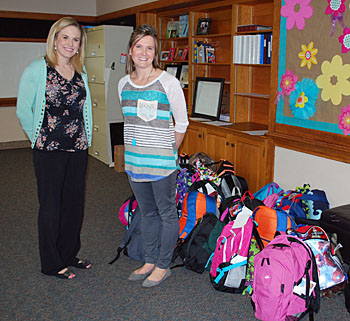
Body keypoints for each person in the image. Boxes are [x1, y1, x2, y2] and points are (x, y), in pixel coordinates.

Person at [16, 17, 93, 279]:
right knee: (51, 206)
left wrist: (86, 139)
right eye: (66, 38)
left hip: (78, 149)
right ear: (55, 39)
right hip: (48, 151)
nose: (71, 44)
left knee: (74, 205)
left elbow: (84, 110)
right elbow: (23, 109)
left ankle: (68, 254)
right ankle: (51, 263)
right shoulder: (38, 69)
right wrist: (37, 137)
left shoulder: (79, 72)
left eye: (76, 39)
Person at [118, 25, 189, 287]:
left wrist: (170, 152)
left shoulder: (168, 82)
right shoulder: (123, 84)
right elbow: (131, 121)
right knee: (147, 212)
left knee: (167, 212)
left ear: (155, 52)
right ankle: (149, 260)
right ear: (130, 51)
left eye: (149, 47)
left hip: (161, 164)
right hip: (135, 162)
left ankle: (162, 264)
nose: (144, 52)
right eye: (139, 46)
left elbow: (181, 123)